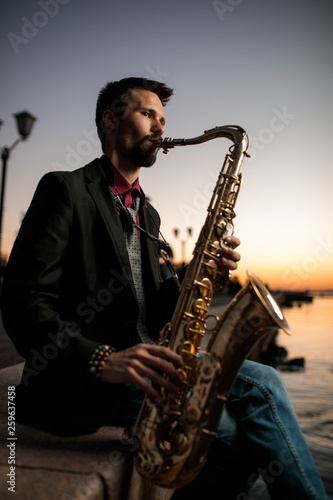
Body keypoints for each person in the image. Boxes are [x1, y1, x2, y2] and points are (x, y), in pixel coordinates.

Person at [1, 77, 328, 499]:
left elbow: (163, 309)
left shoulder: (148, 214)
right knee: (240, 422)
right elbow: (23, 304)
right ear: (110, 121)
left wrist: (206, 272)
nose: (160, 127)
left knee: (262, 383)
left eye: (163, 118)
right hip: (87, 380)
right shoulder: (65, 189)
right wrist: (103, 359)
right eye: (147, 114)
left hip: (154, 363)